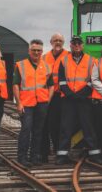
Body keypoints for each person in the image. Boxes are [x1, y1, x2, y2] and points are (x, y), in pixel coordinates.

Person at [55, 35, 102, 165]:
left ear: (82, 45)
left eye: (78, 43)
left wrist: (80, 95)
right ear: (70, 45)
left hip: (84, 100)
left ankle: (94, 154)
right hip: (68, 100)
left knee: (88, 127)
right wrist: (71, 95)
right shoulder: (63, 60)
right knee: (65, 127)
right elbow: (62, 81)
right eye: (74, 43)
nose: (76, 45)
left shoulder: (91, 60)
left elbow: (92, 81)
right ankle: (62, 155)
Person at [13, 39, 54, 167]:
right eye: (34, 50)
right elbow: (15, 85)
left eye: (39, 50)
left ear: (42, 51)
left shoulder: (47, 66)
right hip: (26, 103)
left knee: (38, 131)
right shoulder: (21, 65)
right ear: (29, 51)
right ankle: (22, 157)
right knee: (26, 129)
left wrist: (48, 99)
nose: (36, 52)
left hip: (41, 103)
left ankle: (35, 156)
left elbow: (51, 85)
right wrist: (19, 103)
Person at [41, 33, 69, 163]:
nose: (58, 42)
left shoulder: (68, 56)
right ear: (51, 42)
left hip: (62, 95)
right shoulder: (44, 57)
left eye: (60, 40)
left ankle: (60, 150)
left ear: (63, 43)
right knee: (47, 124)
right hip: (47, 94)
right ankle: (45, 152)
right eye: (55, 40)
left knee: (61, 124)